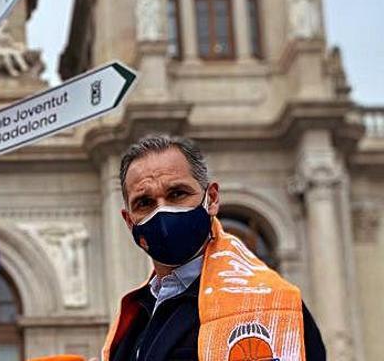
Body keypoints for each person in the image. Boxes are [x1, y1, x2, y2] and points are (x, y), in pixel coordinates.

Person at [102, 134, 326, 361]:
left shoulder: (274, 303)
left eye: (177, 194)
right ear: (129, 221)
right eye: (145, 203)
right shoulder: (135, 315)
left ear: (212, 198)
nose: (162, 211)